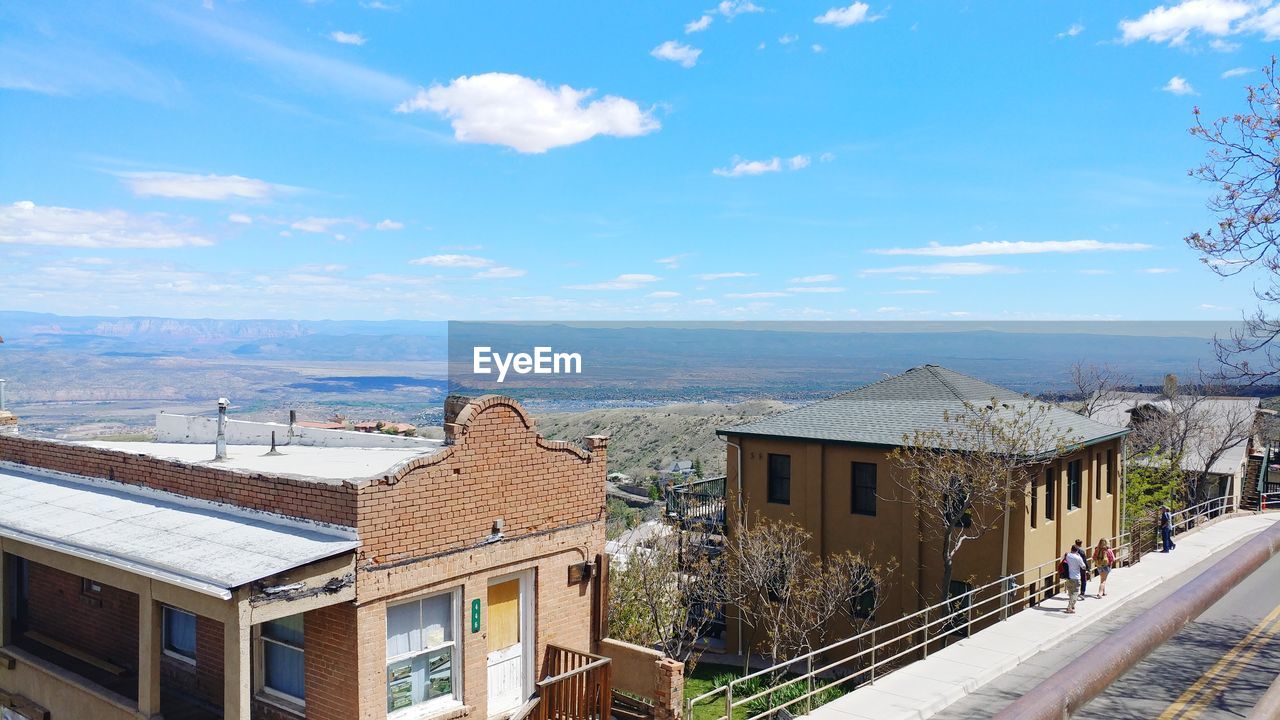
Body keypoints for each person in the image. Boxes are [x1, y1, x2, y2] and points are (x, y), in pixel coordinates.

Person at [1062, 543, 1086, 614]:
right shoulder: (1078, 557)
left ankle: (1071, 605)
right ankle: (1070, 607)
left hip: (1068, 577)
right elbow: (1083, 566)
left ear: (1071, 549)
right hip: (1076, 577)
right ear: (1077, 550)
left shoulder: (1067, 555)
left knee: (1070, 592)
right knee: (1075, 593)